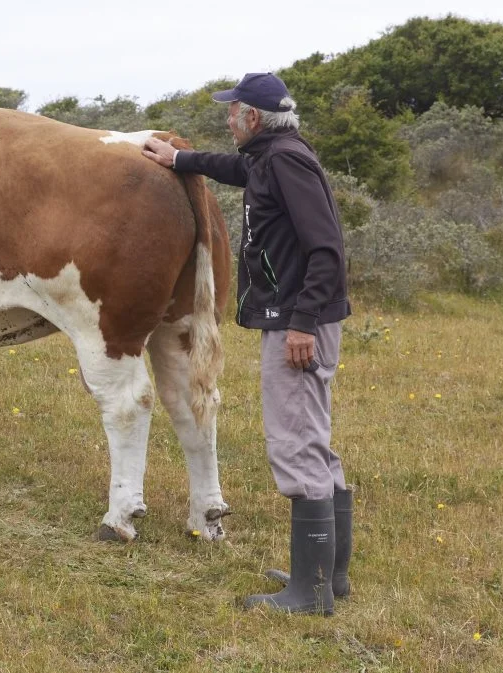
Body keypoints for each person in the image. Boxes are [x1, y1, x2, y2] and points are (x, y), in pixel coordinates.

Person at [143, 73, 353, 616]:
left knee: (295, 442)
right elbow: (236, 168)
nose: (227, 118)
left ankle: (309, 595)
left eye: (232, 111)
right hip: (297, 317)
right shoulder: (274, 155)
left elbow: (327, 249)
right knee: (313, 437)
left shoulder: (284, 160)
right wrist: (179, 160)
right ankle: (331, 576)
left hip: (297, 323)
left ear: (252, 118)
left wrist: (303, 322)